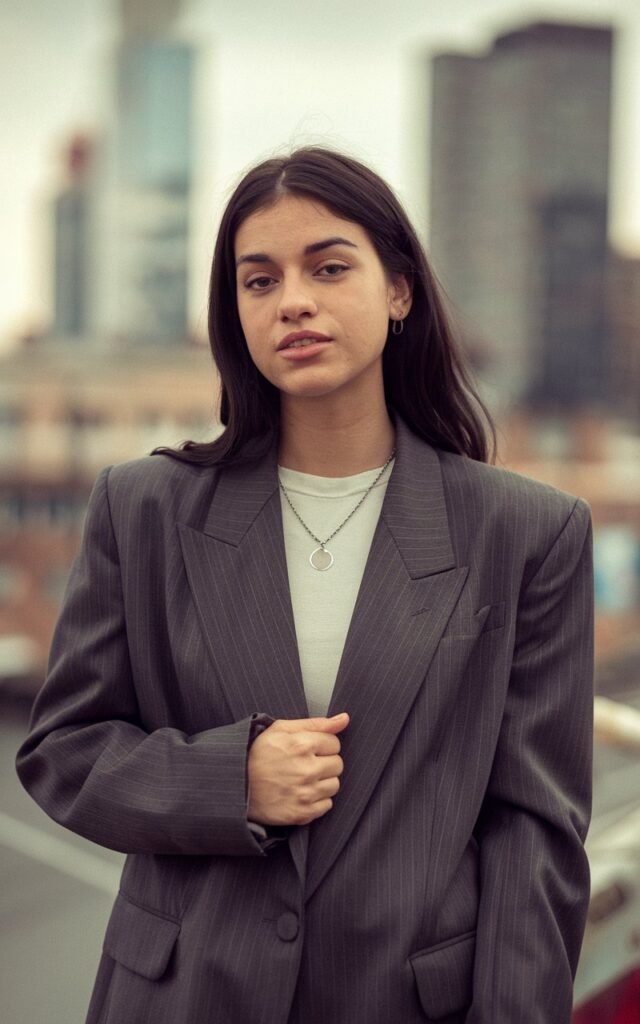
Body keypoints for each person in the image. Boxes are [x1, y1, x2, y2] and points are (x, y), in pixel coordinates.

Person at [16, 146, 594, 1024]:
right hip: (180, 999)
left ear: (398, 289)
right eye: (259, 281)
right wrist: (228, 781)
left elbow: (534, 834)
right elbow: (62, 748)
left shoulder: (526, 533)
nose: (293, 301)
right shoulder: (143, 509)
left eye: (328, 267)